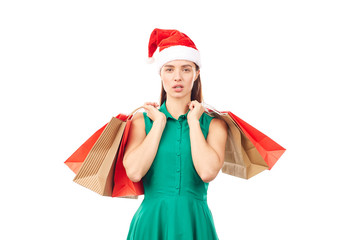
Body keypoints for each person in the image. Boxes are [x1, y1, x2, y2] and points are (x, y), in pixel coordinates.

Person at [123, 28, 228, 240]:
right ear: (160, 73)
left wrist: (193, 122)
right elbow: (134, 172)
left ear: (197, 74)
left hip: (195, 223)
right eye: (169, 69)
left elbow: (207, 172)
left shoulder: (215, 124)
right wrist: (159, 123)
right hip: (152, 223)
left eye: (186, 69)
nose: (177, 77)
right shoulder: (141, 121)